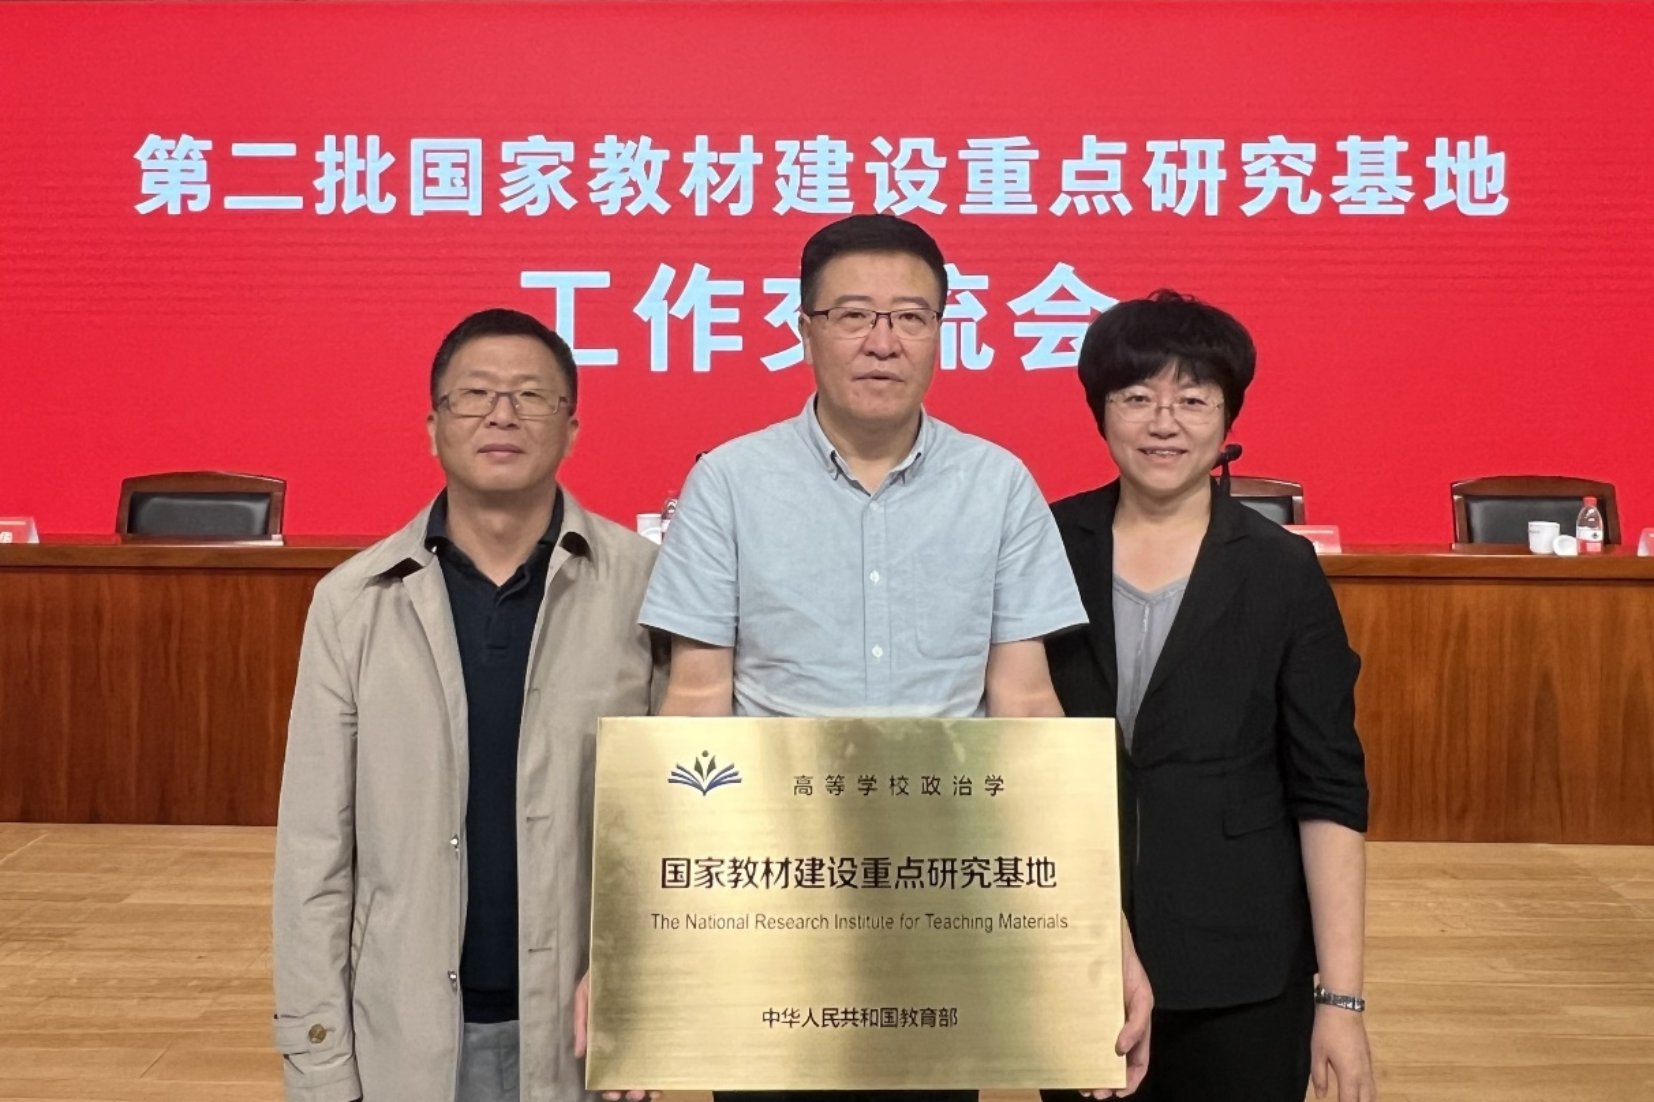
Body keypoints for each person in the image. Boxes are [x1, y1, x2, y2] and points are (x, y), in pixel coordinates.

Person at [634, 213, 1152, 1102]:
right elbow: (693, 704)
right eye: (853, 316)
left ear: (941, 332)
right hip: (770, 890)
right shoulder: (728, 483)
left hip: (947, 890)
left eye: (911, 317)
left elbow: (1027, 711)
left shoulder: (998, 485)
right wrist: (640, 946)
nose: (883, 342)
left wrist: (1104, 930)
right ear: (805, 331)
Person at [272, 308, 664, 1102]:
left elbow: (676, 825)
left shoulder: (649, 589)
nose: (502, 415)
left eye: (531, 396)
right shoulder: (353, 602)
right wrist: (318, 1062)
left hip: (585, 1037)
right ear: (433, 427)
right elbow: (315, 854)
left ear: (572, 428)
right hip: (405, 1040)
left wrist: (651, 1004)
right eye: (475, 394)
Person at [1041, 291, 1376, 1102]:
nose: (1164, 423)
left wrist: (1341, 1000)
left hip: (1242, 967)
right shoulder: (1043, 545)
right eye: (1136, 398)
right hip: (1077, 953)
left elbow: (1328, 790)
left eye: (1193, 400)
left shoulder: (1280, 570)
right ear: (1100, 411)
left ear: (1228, 419)